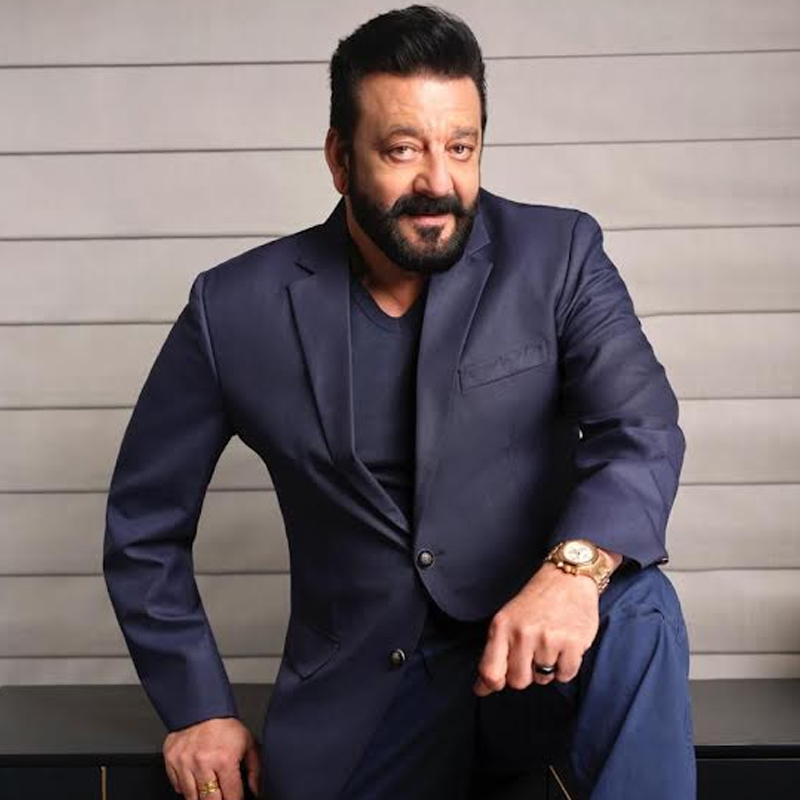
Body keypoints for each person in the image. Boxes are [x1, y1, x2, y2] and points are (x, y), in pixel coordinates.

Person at [102, 5, 696, 800]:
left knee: (640, 605)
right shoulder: (234, 309)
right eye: (403, 150)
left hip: (538, 669)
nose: (438, 183)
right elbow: (144, 526)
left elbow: (640, 426)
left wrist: (572, 572)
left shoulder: (558, 256)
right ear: (339, 158)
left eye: (461, 147)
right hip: (367, 702)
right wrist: (197, 707)